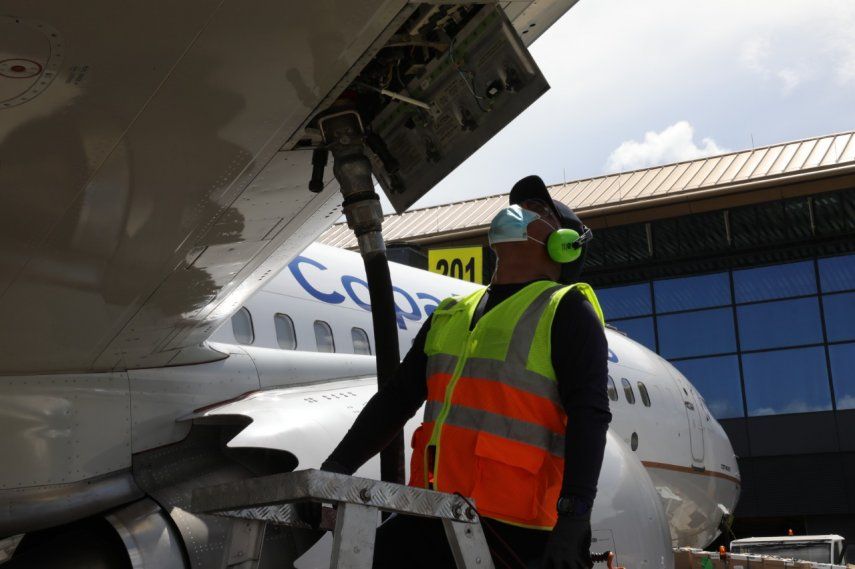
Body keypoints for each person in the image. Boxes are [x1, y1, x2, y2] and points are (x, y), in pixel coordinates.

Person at [301, 175, 611, 569]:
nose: (517, 211)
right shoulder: (450, 314)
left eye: (538, 210)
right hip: (434, 511)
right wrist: (335, 471)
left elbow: (590, 415)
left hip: (514, 528)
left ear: (562, 245)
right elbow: (396, 400)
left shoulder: (566, 309)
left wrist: (574, 518)